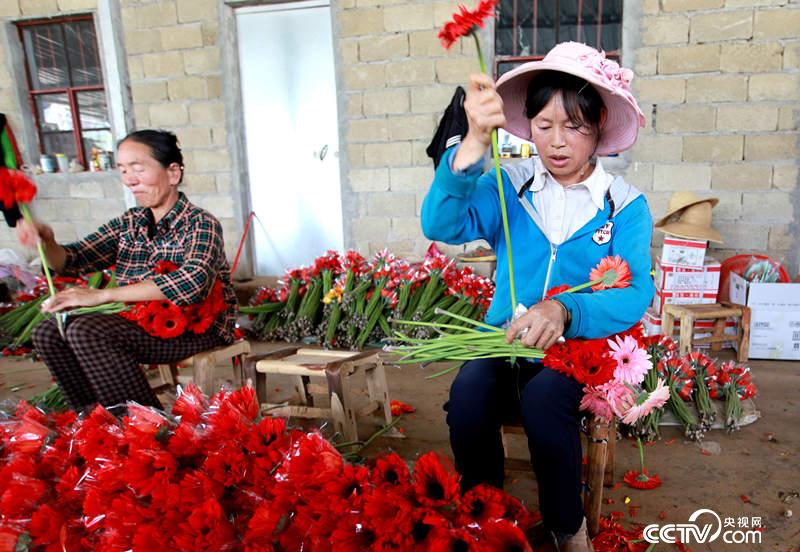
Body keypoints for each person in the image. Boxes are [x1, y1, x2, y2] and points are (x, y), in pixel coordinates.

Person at [421, 42, 655, 551]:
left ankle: (566, 526)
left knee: (548, 401)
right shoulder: (510, 184)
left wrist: (567, 309)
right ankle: (484, 513)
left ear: (597, 129)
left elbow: (636, 292)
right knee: (467, 396)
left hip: (574, 353)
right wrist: (473, 144)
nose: (557, 141)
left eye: (573, 126)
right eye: (544, 125)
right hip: (504, 338)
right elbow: (441, 224)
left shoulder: (623, 205)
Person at [17, 130, 237, 411]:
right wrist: (47, 242)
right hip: (141, 323)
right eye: (122, 169)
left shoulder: (200, 223)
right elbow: (73, 259)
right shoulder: (130, 222)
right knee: (48, 332)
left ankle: (145, 427)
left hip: (198, 330)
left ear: (172, 173)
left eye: (138, 168)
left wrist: (100, 296)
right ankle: (95, 420)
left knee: (87, 329)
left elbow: (192, 282)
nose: (129, 179)